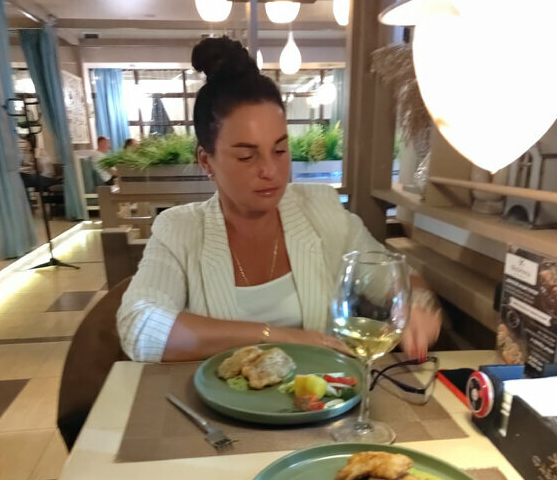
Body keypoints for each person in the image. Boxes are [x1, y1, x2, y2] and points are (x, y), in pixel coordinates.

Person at [117, 37, 441, 363]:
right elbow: (139, 327)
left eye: (280, 150)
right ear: (206, 161)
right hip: (219, 396)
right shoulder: (180, 229)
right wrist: (282, 338)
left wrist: (417, 308)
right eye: (246, 156)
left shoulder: (321, 210)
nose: (271, 171)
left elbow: (398, 281)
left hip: (318, 392)